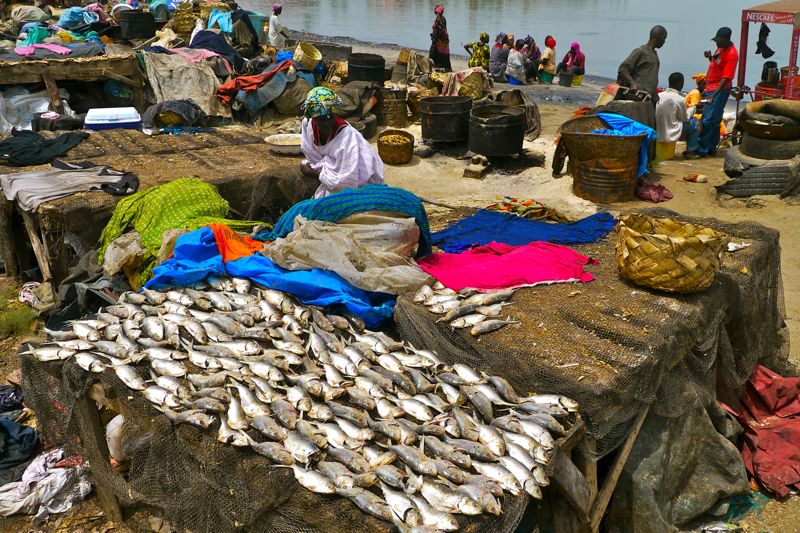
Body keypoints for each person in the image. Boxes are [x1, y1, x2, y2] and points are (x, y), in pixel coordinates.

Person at [300, 87, 384, 199]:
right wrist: (322, 169)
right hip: (332, 173)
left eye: (330, 117)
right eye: (322, 119)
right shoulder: (308, 125)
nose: (327, 123)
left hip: (361, 177)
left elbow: (347, 180)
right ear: (313, 118)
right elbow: (311, 154)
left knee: (335, 203)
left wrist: (316, 174)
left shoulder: (346, 136)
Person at [697, 27, 738, 157]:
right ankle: (710, 148)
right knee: (714, 119)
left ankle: (702, 149)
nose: (717, 44)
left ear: (727, 40)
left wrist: (714, 94)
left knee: (708, 119)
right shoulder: (720, 48)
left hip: (719, 89)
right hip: (711, 87)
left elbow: (726, 77)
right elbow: (717, 64)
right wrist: (710, 58)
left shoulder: (732, 54)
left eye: (719, 41)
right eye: (716, 41)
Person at [617, 25, 668, 103]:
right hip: (638, 96)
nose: (664, 42)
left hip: (649, 97)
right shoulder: (641, 51)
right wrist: (632, 83)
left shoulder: (654, 54)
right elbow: (623, 68)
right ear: (659, 37)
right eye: (664, 39)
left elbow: (650, 78)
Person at [655, 72, 698, 158]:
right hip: (670, 132)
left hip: (657, 132)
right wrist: (693, 108)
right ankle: (691, 151)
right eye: (683, 82)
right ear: (679, 83)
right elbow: (685, 118)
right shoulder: (681, 99)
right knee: (694, 122)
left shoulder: (659, 95)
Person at [429, 4, 451, 71]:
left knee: (436, 52)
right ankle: (443, 67)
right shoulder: (441, 18)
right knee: (442, 52)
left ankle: (437, 66)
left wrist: (435, 38)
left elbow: (439, 29)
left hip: (440, 39)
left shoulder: (440, 19)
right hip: (442, 39)